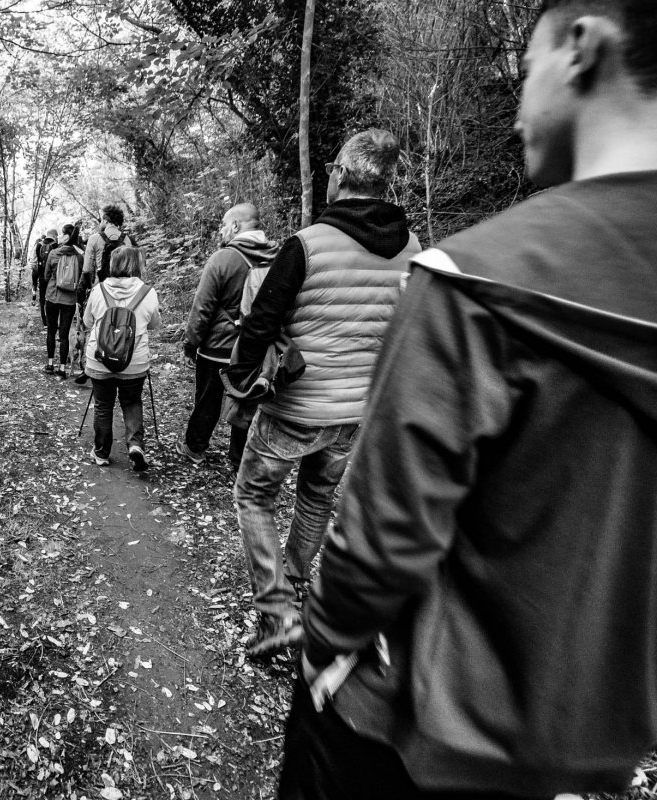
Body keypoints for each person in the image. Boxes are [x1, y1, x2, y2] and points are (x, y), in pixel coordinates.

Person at [282, 3, 657, 798]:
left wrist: (323, 642)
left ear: (583, 49)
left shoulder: (479, 279)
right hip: (581, 749)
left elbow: (380, 542)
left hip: (417, 727)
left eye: (526, 74)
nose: (519, 107)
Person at [232, 128, 421, 658]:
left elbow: (261, 323)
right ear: (384, 185)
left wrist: (241, 380)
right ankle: (293, 586)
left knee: (254, 495)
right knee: (316, 498)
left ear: (339, 175)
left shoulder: (307, 244)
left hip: (297, 407)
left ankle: (276, 614)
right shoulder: (413, 249)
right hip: (356, 412)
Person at [179, 203, 278, 471]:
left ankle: (196, 447)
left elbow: (202, 308)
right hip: (255, 347)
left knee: (208, 399)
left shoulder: (223, 259)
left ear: (235, 226)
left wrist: (191, 344)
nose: (222, 230)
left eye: (224, 224)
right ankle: (238, 459)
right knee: (246, 402)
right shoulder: (276, 257)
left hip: (217, 347)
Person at [82, 246, 162, 471]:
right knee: (132, 401)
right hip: (134, 362)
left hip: (100, 359)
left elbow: (88, 322)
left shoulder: (98, 291)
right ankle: (135, 445)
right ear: (136, 265)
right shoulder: (148, 292)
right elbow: (155, 325)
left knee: (103, 405)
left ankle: (101, 452)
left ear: (112, 265)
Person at [74, 205, 135, 383]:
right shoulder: (128, 241)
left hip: (100, 289)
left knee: (95, 326)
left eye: (102, 219)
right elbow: (133, 270)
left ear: (107, 220)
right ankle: (120, 357)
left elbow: (86, 271)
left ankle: (91, 365)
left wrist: (80, 296)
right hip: (125, 291)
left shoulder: (94, 239)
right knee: (120, 323)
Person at [42, 224, 81, 377]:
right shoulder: (79, 256)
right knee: (64, 335)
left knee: (51, 331)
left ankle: (50, 364)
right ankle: (63, 369)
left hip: (52, 295)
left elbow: (45, 276)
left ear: (66, 237)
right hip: (69, 299)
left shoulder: (53, 253)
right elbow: (83, 278)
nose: (58, 237)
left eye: (61, 234)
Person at [31, 228, 58, 326]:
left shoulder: (39, 245)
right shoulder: (55, 245)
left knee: (42, 298)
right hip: (52, 277)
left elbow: (36, 259)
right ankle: (52, 320)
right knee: (52, 298)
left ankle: (44, 320)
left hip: (41, 275)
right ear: (54, 235)